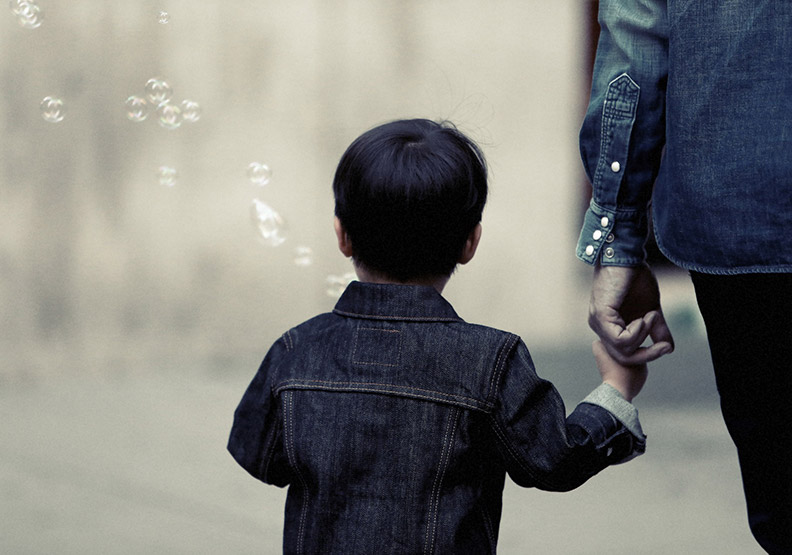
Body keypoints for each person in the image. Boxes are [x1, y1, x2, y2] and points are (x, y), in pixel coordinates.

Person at [229, 118, 652, 553]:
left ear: (342, 236)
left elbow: (258, 455)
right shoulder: (491, 360)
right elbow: (554, 462)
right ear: (471, 242)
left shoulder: (296, 349)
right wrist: (615, 389)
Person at [576, 2, 792, 553]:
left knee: (785, 501)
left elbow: (635, 46)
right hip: (742, 226)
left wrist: (618, 241)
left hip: (741, 218)